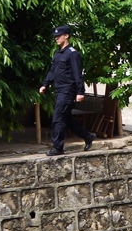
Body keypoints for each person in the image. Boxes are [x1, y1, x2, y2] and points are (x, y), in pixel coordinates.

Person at [38, 25, 94, 156]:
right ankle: (87, 135)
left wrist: (80, 92)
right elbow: (53, 71)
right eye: (55, 36)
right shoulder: (58, 54)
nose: (56, 38)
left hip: (68, 90)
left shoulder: (72, 54)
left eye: (58, 36)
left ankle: (58, 147)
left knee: (58, 117)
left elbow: (78, 74)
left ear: (66, 36)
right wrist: (45, 84)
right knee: (66, 119)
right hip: (59, 90)